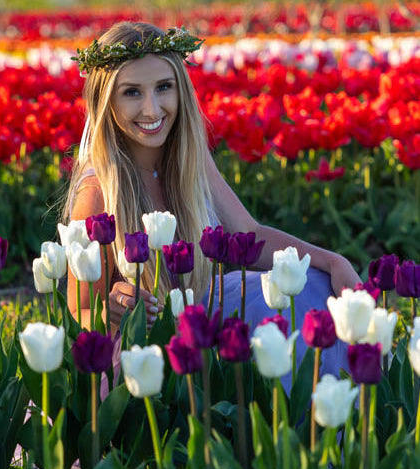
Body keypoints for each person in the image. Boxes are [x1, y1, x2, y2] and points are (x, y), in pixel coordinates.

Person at [62, 21, 361, 385]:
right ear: (105, 101)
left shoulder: (189, 160)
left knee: (309, 285)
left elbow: (250, 233)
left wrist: (333, 261)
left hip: (200, 313)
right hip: (147, 344)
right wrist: (111, 310)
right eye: (131, 93)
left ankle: (323, 419)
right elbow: (80, 311)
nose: (152, 108)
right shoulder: (98, 190)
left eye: (163, 87)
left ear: (181, 91)